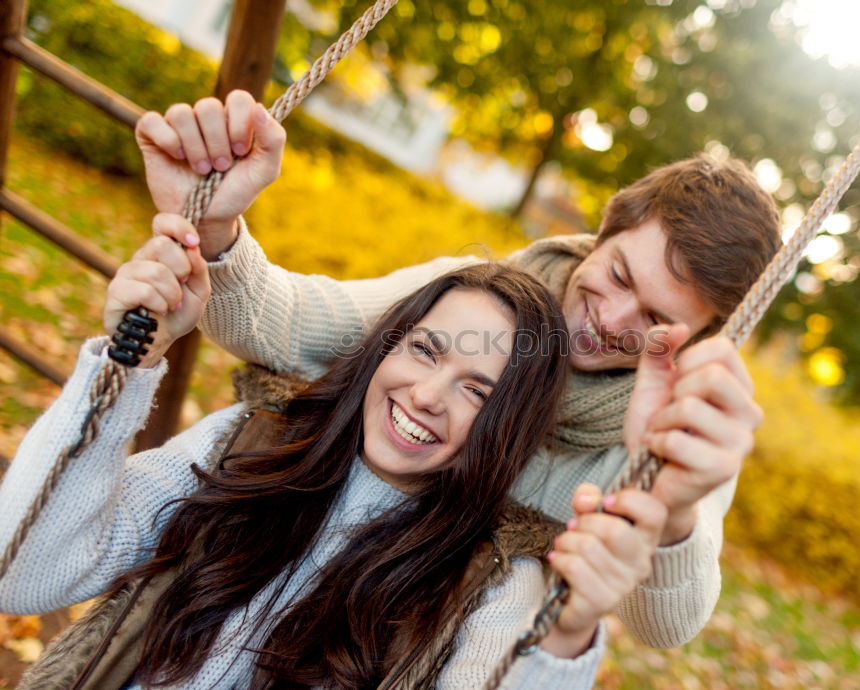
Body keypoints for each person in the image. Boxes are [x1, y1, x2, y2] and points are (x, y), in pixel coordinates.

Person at [134, 90, 780, 648]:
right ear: (603, 232)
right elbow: (287, 327)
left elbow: (667, 628)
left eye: (656, 319)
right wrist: (214, 231)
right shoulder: (475, 297)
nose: (611, 319)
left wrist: (670, 509)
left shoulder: (679, 429)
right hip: (313, 599)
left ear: (698, 336)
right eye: (615, 274)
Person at [0, 235, 665, 688]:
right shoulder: (250, 442)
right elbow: (23, 572)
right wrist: (125, 366)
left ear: (507, 430)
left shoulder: (490, 588)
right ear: (386, 346)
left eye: (477, 392)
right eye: (426, 352)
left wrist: (568, 637)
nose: (427, 396)